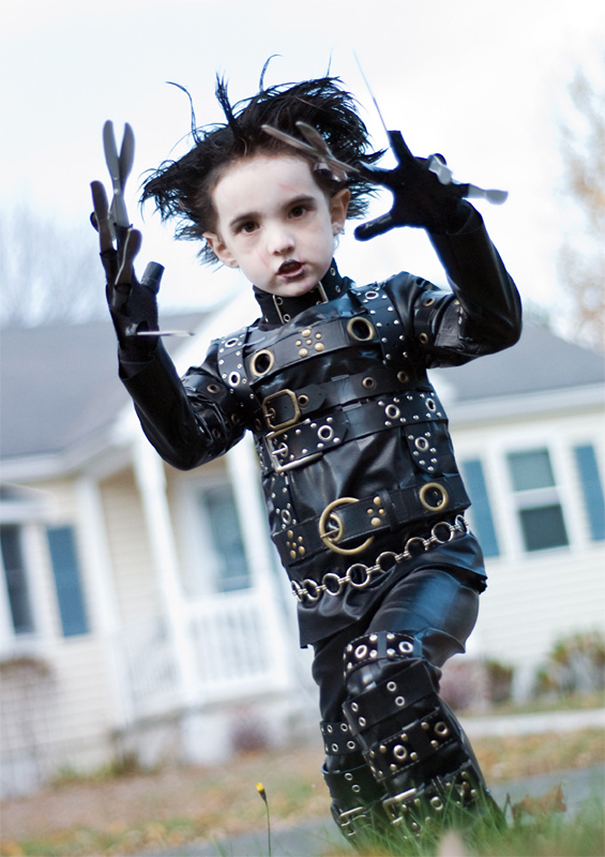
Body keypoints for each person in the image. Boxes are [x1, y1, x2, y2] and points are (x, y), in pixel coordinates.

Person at [91, 73, 522, 846]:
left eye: (297, 211)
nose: (280, 240)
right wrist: (138, 358)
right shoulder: (232, 360)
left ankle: (483, 844)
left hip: (428, 563)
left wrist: (454, 225)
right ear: (221, 247)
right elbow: (187, 442)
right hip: (327, 606)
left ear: (339, 208)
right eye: (249, 226)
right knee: (360, 789)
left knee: (388, 673)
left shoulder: (395, 307)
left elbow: (490, 325)